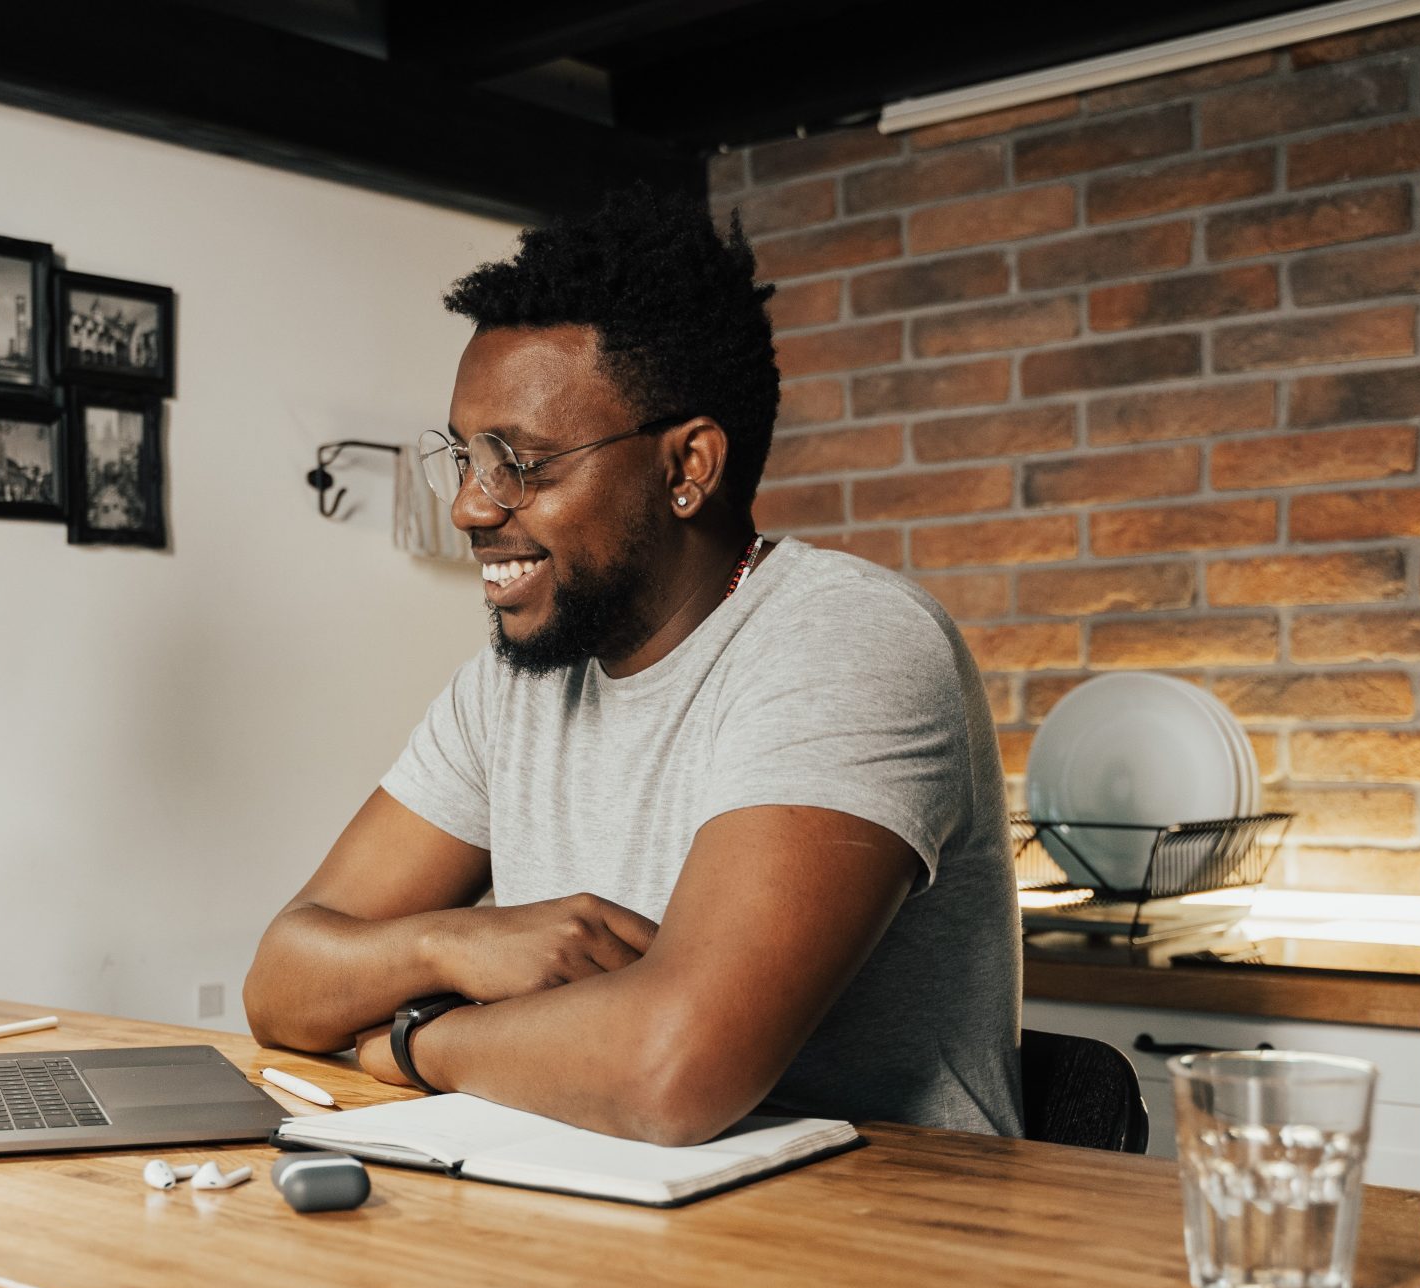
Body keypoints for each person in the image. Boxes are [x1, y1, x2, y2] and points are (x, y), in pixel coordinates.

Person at [242, 188, 1021, 1146]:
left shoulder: (847, 642)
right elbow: (282, 981)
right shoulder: (512, 687)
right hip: (604, 1235)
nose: (470, 510)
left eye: (520, 465)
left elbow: (670, 1069)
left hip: (876, 1260)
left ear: (687, 466)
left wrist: (415, 1038)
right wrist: (460, 939)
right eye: (466, 458)